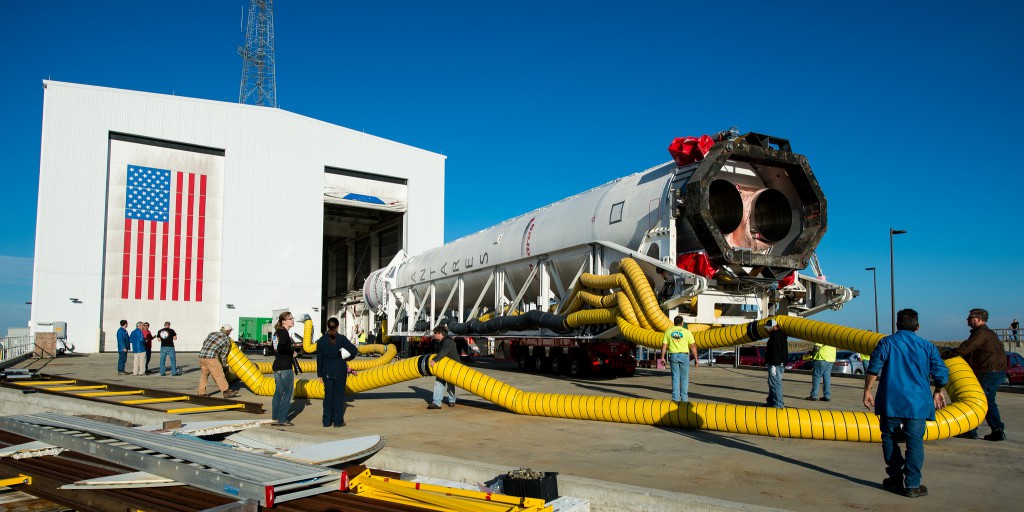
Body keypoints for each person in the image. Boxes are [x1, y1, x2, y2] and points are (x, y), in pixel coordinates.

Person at [863, 308, 948, 498]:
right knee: (915, 443)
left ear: (896, 325)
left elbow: (873, 369)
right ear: (917, 326)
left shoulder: (887, 343)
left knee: (889, 438)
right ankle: (912, 484)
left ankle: (894, 477)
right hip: (917, 404)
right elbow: (941, 373)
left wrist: (867, 391)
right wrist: (938, 391)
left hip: (890, 401)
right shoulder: (927, 346)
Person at [942, 308, 1007, 441]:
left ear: (978, 319)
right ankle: (991, 430)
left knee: (978, 401)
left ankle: (991, 430)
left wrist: (945, 355)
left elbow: (965, 349)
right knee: (986, 401)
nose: (967, 319)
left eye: (970, 317)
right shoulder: (987, 333)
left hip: (988, 372)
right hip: (993, 372)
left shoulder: (981, 333)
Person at [316, 316, 359, 427]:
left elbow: (319, 359)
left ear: (327, 326)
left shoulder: (321, 341)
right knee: (338, 396)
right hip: (340, 370)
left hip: (327, 371)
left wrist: (319, 374)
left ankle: (326, 421)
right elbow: (354, 350)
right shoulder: (341, 339)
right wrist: (348, 358)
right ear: (337, 326)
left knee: (328, 396)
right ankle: (338, 421)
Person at [658, 315, 699, 403]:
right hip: (684, 356)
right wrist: (696, 358)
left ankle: (675, 399)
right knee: (684, 378)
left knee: (675, 378)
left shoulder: (668, 332)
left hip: (673, 356)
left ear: (674, 323)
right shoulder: (687, 332)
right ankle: (684, 400)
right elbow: (692, 346)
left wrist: (662, 357)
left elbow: (664, 346)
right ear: (682, 323)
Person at [270, 312, 298, 426]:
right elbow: (281, 347)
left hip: (277, 366)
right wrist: (292, 352)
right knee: (287, 393)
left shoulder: (277, 333)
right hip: (285, 366)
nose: (292, 320)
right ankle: (282, 419)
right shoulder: (284, 333)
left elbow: (274, 349)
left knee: (278, 393)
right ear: (283, 321)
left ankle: (275, 418)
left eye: (292, 318)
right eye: (290, 319)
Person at [198, 324, 238, 398]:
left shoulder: (212, 333)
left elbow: (204, 343)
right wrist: (224, 365)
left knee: (204, 375)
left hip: (202, 356)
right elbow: (223, 355)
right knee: (219, 374)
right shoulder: (226, 340)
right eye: (230, 331)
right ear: (228, 331)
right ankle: (226, 391)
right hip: (212, 357)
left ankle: (201, 392)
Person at [427, 326, 460, 409]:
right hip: (445, 365)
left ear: (440, 333)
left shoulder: (448, 341)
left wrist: (434, 360)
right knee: (440, 382)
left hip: (452, 366)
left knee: (448, 383)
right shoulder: (443, 341)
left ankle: (450, 400)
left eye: (435, 333)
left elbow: (444, 352)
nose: (434, 335)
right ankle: (439, 402)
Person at [764, 319, 787, 408]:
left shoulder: (776, 336)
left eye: (769, 328)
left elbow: (776, 352)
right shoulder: (780, 335)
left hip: (776, 364)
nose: (768, 330)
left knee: (775, 384)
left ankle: (778, 404)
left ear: (774, 326)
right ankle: (771, 402)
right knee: (772, 383)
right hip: (778, 364)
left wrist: (774, 364)